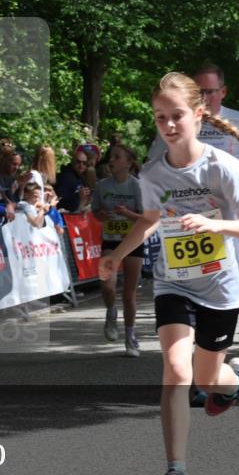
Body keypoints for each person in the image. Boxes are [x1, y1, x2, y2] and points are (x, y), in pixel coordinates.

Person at [98, 72, 239, 475]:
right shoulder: (154, 172)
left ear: (198, 115)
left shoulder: (222, 167)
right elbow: (150, 220)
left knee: (208, 379)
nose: (169, 125)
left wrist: (215, 224)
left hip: (221, 288)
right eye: (160, 118)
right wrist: (118, 255)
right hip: (174, 282)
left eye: (177, 116)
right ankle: (176, 472)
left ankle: (235, 378)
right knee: (176, 368)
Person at [149, 63, 239, 193]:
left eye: (209, 92)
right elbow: (152, 165)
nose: (204, 98)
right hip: (185, 198)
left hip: (228, 199)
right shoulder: (175, 123)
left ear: (223, 92)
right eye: (199, 92)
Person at [92, 144, 143, 355]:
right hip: (111, 241)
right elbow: (96, 211)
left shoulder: (138, 186)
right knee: (107, 283)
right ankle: (111, 313)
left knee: (129, 294)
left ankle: (130, 337)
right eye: (110, 157)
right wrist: (101, 215)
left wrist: (127, 214)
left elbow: (147, 218)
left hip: (133, 240)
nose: (111, 160)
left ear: (129, 163)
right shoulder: (102, 186)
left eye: (116, 157)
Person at [54, 148, 91, 212]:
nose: (81, 165)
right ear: (72, 161)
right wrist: (77, 195)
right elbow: (58, 201)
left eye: (84, 163)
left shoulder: (80, 176)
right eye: (78, 162)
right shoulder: (65, 177)